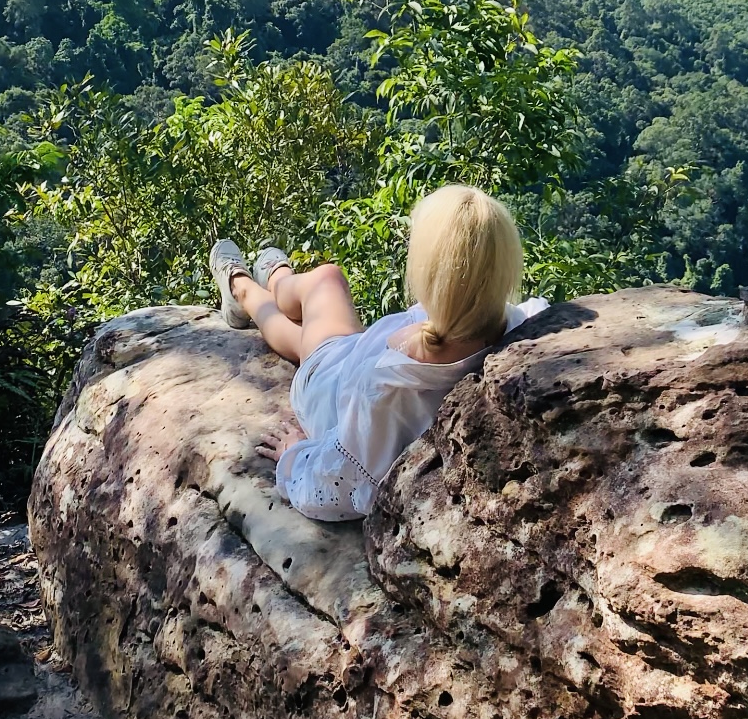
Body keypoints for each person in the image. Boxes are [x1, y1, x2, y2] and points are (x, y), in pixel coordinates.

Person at [208, 183, 547, 522]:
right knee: (309, 329)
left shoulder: (386, 393)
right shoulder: (524, 327)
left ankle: (244, 283)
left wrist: (295, 454)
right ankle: (273, 276)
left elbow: (335, 486)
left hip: (327, 384)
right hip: (352, 359)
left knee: (325, 282)